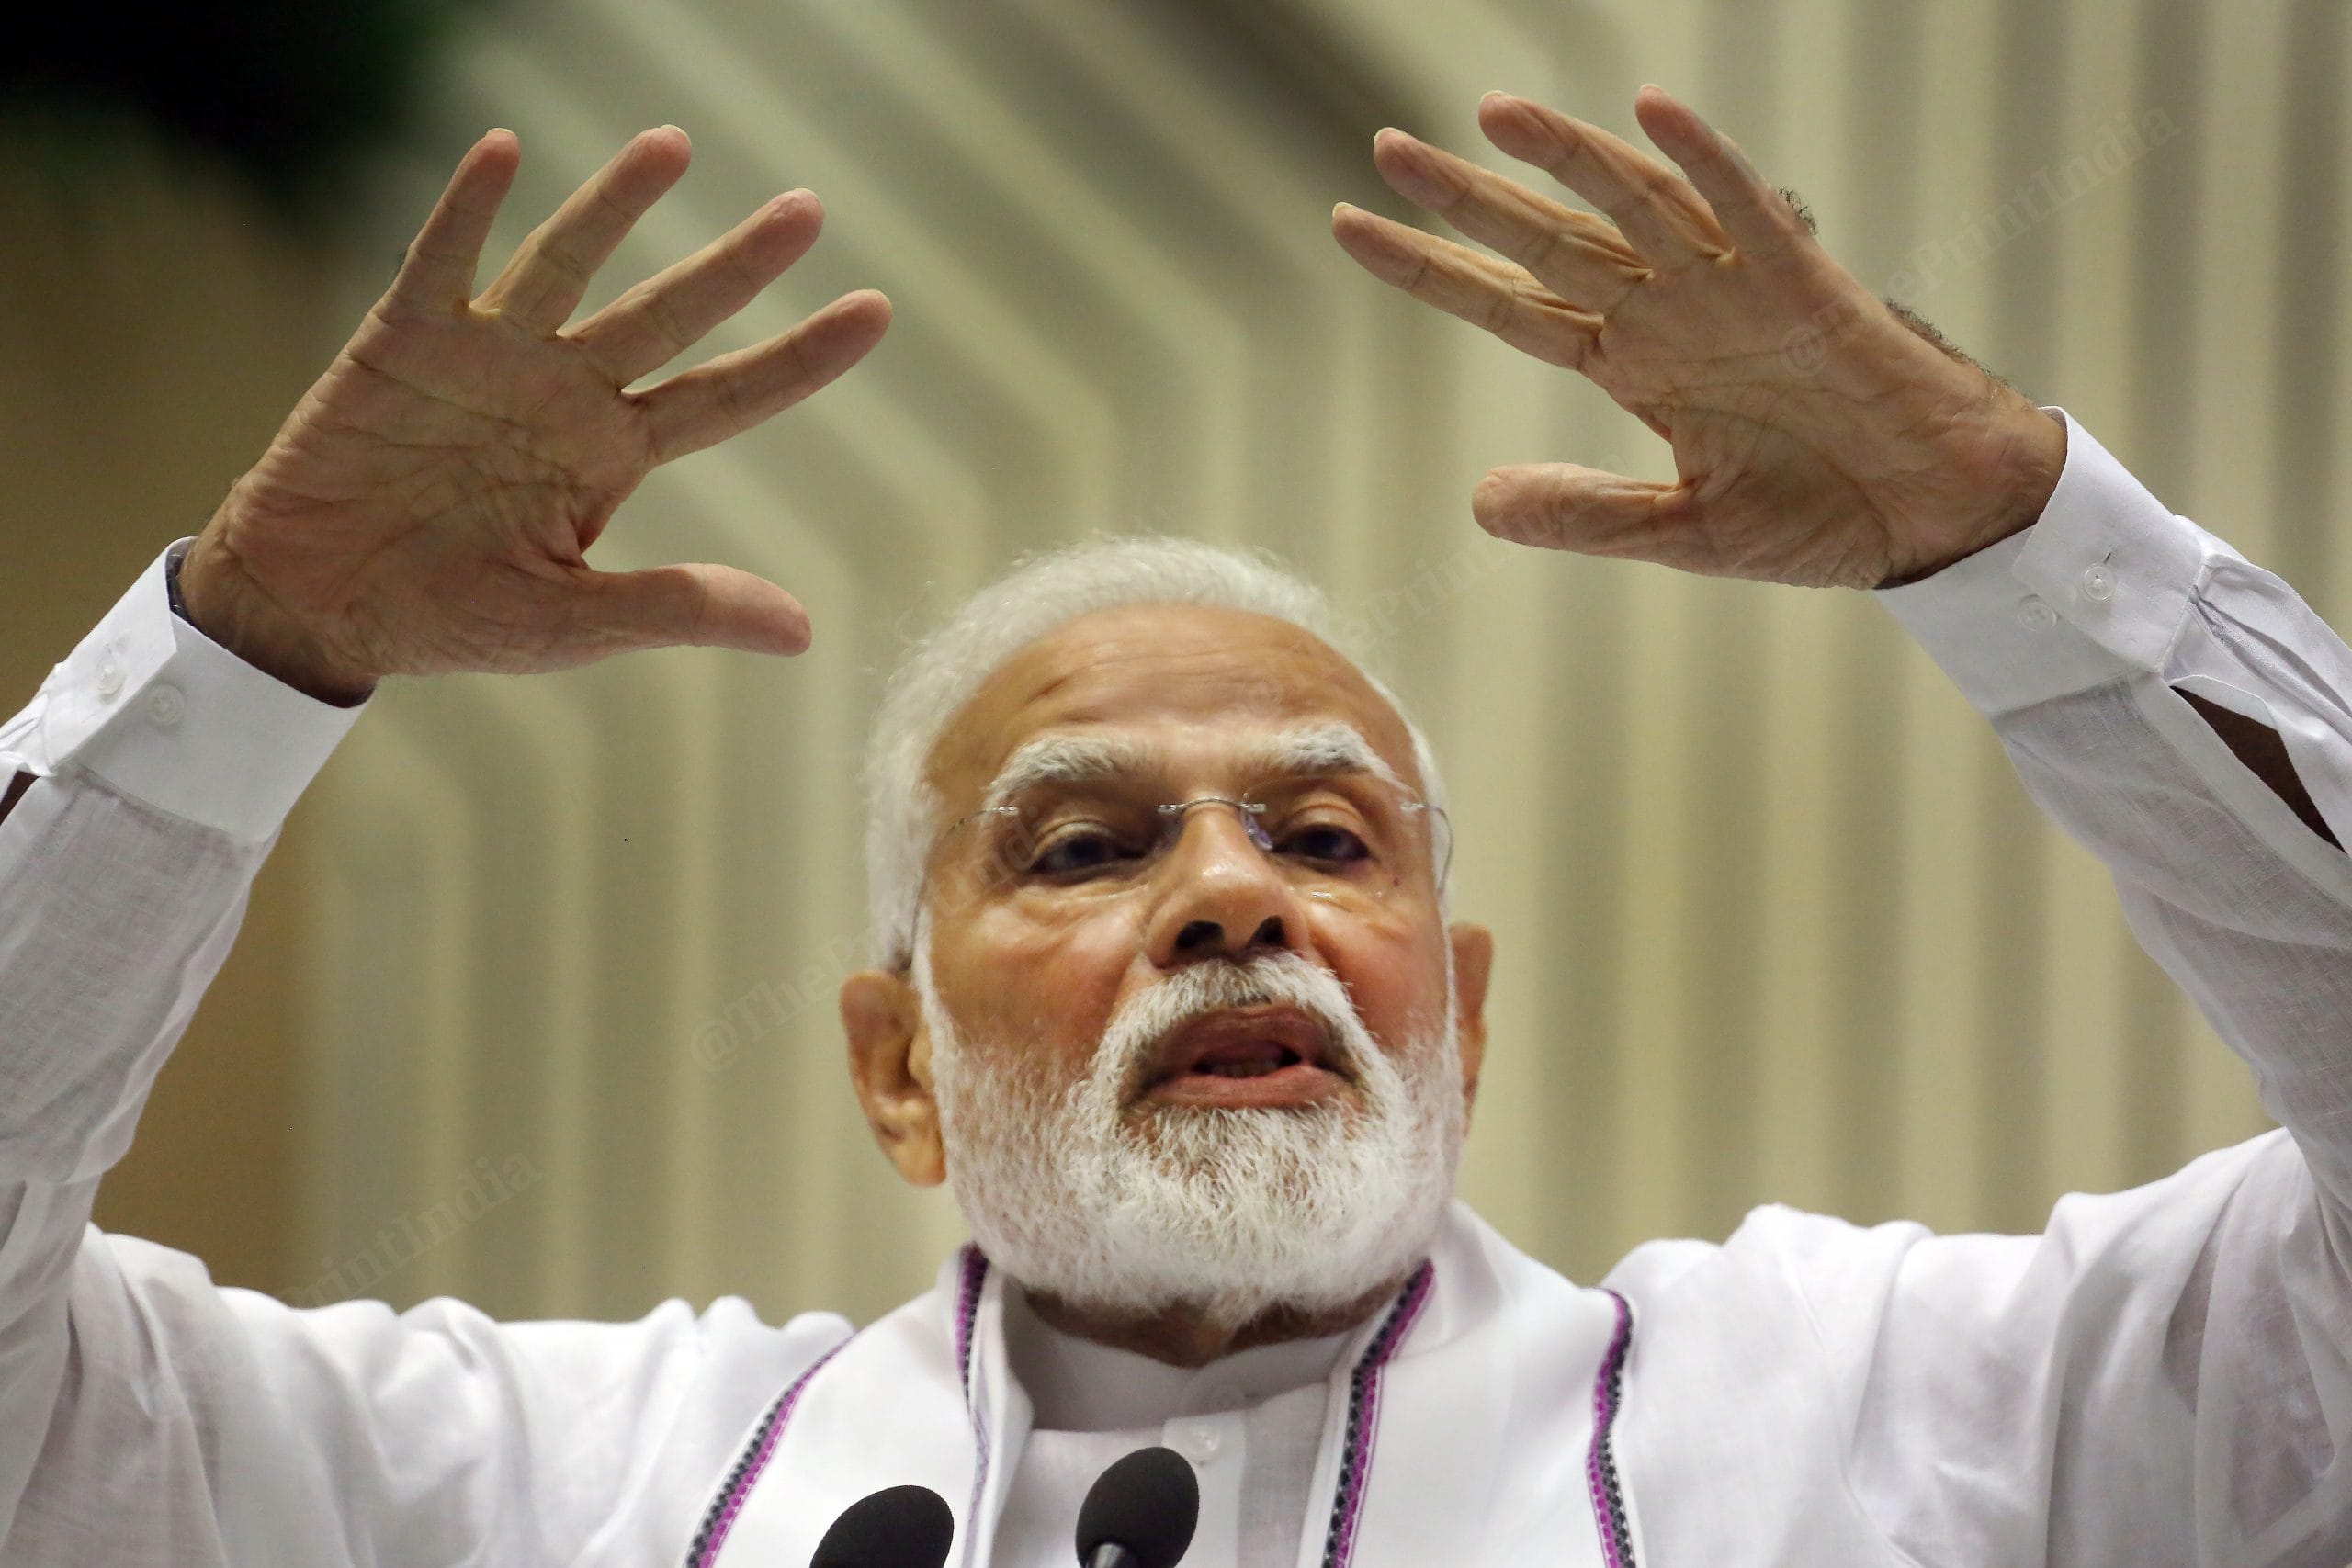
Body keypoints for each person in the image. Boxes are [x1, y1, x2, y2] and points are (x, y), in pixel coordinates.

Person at [1, 82, 2346, 1568]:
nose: (1234, 892)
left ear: (1463, 1018)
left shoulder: (1906, 1413)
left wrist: (2014, 540)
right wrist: (243, 650)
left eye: (1330, 841)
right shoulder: (532, 1479)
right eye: (1082, 844)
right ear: (897, 1061)